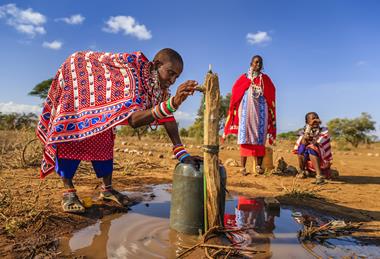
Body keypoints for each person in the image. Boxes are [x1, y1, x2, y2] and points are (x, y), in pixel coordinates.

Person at [36, 48, 199, 213]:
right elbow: (133, 119)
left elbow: (167, 116)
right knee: (73, 135)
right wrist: (174, 102)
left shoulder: (157, 88)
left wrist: (181, 153)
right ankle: (68, 192)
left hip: (100, 104)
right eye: (170, 73)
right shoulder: (132, 76)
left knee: (103, 142)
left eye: (176, 77)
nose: (172, 80)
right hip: (79, 83)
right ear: (156, 65)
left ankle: (107, 189)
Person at [223, 55, 276, 176]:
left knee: (260, 138)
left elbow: (271, 91)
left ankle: (258, 166)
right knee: (244, 137)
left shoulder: (265, 79)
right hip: (246, 111)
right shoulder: (244, 77)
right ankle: (242, 167)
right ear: (251, 63)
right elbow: (236, 90)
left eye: (260, 62)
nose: (258, 64)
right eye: (256, 62)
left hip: (261, 111)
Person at [293, 112, 333, 184]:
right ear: (307, 122)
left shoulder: (324, 130)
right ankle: (302, 171)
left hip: (322, 160)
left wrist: (309, 138)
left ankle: (319, 176)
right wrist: (309, 127)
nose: (316, 120)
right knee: (301, 148)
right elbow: (303, 143)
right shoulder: (303, 131)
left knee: (311, 147)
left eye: (317, 118)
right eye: (313, 119)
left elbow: (317, 143)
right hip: (308, 161)